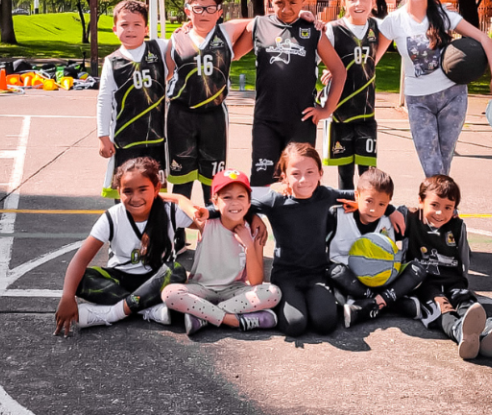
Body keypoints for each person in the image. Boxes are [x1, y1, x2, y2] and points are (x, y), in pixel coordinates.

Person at [251, 143, 404, 337]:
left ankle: (323, 300)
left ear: (320, 173)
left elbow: (365, 195)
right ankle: (283, 304)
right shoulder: (276, 199)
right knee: (295, 325)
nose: (304, 179)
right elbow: (240, 205)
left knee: (325, 323)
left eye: (310, 172)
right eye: (295, 174)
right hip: (286, 276)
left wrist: (391, 210)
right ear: (285, 176)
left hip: (317, 274)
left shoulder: (325, 195)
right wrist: (253, 216)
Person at [376, 0, 492, 177]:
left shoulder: (444, 16)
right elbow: (373, 60)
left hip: (452, 96)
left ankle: (444, 209)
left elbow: (484, 39)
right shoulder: (393, 21)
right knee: (431, 163)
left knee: (444, 160)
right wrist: (338, 70)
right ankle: (443, 208)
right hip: (418, 101)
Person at [54, 157, 201, 334]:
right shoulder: (112, 217)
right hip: (120, 279)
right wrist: (68, 297)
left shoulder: (169, 210)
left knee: (176, 271)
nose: (135, 197)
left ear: (155, 189)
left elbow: (203, 222)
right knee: (80, 279)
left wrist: (179, 199)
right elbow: (81, 259)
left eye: (142, 190)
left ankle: (114, 313)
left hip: (156, 279)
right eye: (128, 191)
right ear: (119, 191)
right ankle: (149, 309)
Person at [402, 174, 492, 359]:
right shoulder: (409, 219)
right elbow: (387, 210)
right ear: (420, 201)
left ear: (455, 208)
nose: (441, 213)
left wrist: (464, 281)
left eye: (448, 207)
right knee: (443, 309)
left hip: (453, 281)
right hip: (424, 284)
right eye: (434, 205)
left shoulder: (457, 226)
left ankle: (489, 333)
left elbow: (463, 256)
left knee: (468, 304)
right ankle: (461, 334)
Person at [247, 0, 346, 186]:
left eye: (293, 2)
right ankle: (258, 221)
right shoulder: (260, 26)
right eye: (279, 3)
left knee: (300, 181)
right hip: (266, 120)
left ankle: (300, 220)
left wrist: (327, 109)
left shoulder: (312, 31)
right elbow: (230, 48)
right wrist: (192, 28)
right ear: (270, 0)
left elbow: (339, 71)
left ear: (304, 0)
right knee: (262, 181)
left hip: (301, 121)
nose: (286, 9)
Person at [161, 168, 281, 337]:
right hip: (201, 289)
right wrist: (148, 195)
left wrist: (248, 245)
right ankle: (233, 320)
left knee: (273, 293)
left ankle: (203, 317)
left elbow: (255, 281)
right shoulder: (205, 222)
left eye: (241, 197)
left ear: (249, 203)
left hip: (233, 291)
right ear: (215, 202)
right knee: (170, 293)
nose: (234, 203)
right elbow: (180, 200)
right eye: (227, 197)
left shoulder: (254, 232)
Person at [165, 0, 252, 205]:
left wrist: (303, 14)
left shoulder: (226, 32)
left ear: (220, 12)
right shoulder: (174, 39)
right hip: (180, 115)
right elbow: (165, 75)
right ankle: (178, 232)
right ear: (187, 10)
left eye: (210, 8)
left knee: (212, 180)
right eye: (197, 8)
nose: (204, 13)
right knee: (181, 179)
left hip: (213, 116)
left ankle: (211, 230)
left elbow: (257, 23)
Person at [326, 167, 426, 327]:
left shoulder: (391, 221)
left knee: (417, 269)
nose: (374, 209)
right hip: (350, 278)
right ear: (356, 195)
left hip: (382, 278)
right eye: (368, 201)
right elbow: (318, 196)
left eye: (382, 204)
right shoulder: (337, 215)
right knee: (335, 271)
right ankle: (393, 303)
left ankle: (368, 305)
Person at [97, 0, 168, 195]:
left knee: (157, 192)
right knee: (126, 190)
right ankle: (124, 225)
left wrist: (186, 29)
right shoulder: (112, 62)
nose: (130, 30)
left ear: (146, 29)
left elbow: (184, 43)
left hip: (157, 140)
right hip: (125, 141)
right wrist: (103, 136)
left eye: (137, 25)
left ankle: (157, 226)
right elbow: (104, 100)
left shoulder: (159, 48)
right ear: (114, 29)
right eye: (124, 25)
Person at [322, 0, 384, 190]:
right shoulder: (333, 29)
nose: (359, 3)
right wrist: (329, 69)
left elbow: (375, 58)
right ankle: (345, 214)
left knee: (367, 174)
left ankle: (366, 214)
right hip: (341, 112)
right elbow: (322, 59)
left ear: (373, 1)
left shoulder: (378, 27)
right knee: (345, 173)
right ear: (343, 3)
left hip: (367, 113)